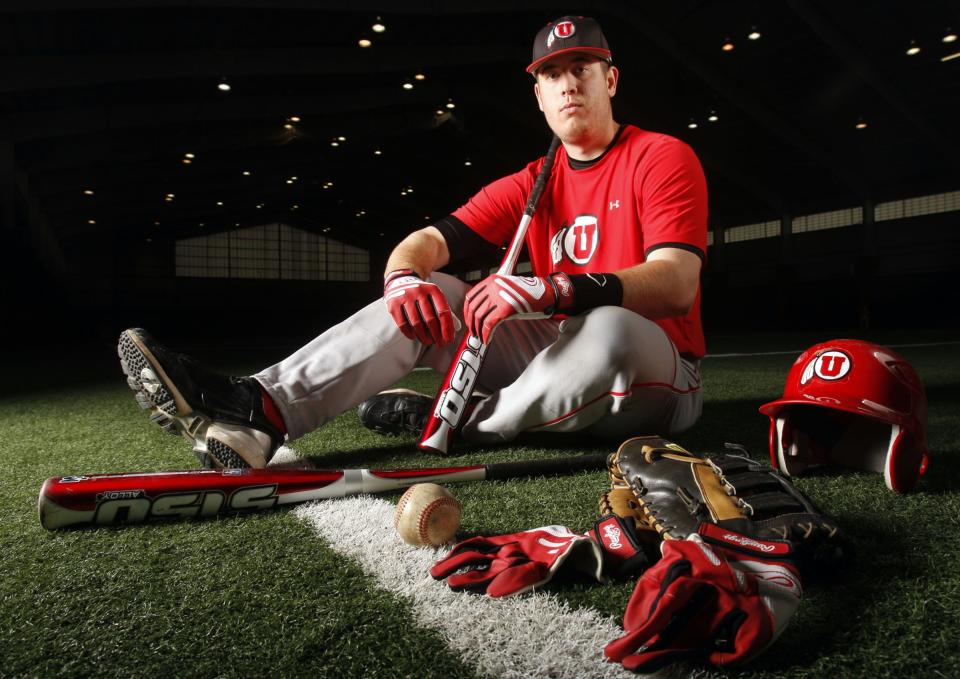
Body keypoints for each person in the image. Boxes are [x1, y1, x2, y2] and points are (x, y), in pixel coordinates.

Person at [118, 15, 708, 469]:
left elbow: (677, 285)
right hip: (553, 364)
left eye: (582, 67)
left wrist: (546, 287)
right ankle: (259, 413)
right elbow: (424, 241)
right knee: (432, 291)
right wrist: (404, 279)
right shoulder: (534, 179)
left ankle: (467, 421)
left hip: (657, 372)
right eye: (551, 74)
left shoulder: (659, 157)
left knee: (610, 325)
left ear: (610, 79)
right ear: (538, 95)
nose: (567, 84)